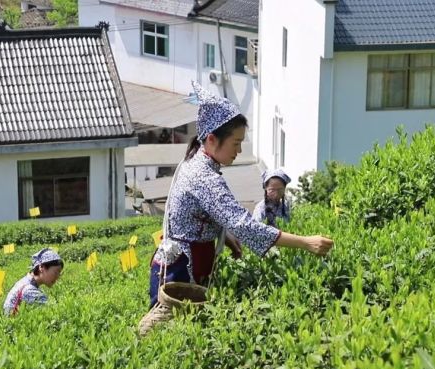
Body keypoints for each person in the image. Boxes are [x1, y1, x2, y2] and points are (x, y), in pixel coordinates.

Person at [138, 82, 334, 334]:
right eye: (236, 143)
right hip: (179, 271)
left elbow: (207, 213)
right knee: (164, 336)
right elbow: (244, 224)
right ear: (211, 139)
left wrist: (226, 237)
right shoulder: (203, 176)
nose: (239, 151)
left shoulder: (198, 161)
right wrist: (306, 242)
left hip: (185, 262)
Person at [3, 248, 63, 316]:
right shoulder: (29, 290)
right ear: (41, 267)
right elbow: (56, 311)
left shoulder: (27, 283)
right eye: (56, 272)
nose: (58, 277)